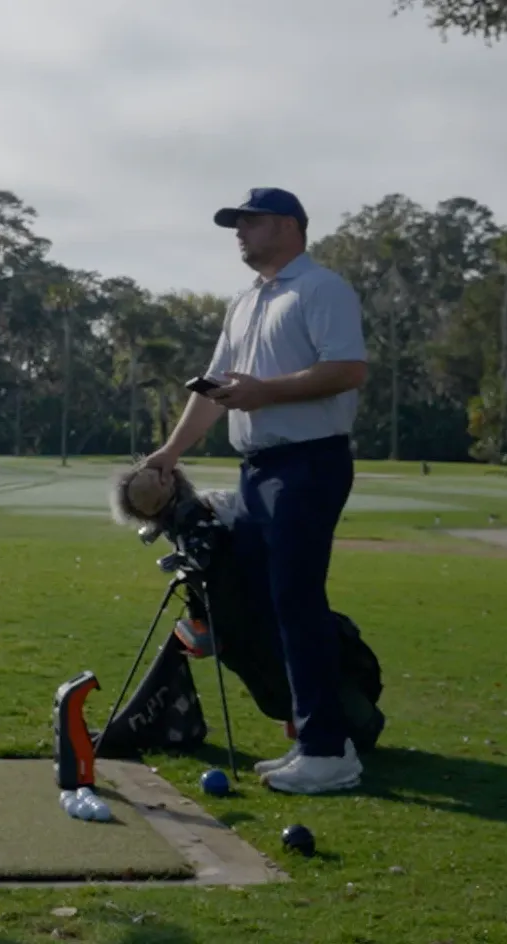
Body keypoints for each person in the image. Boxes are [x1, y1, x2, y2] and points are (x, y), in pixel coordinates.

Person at [142, 187, 369, 795]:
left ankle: (330, 749)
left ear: (290, 226)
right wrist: (170, 453)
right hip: (258, 469)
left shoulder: (321, 288)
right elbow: (213, 388)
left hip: (309, 462)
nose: (240, 232)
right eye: (236, 224)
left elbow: (347, 369)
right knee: (264, 596)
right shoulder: (244, 304)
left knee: (297, 599)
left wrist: (265, 392)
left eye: (252, 222)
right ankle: (312, 738)